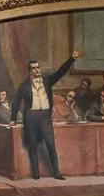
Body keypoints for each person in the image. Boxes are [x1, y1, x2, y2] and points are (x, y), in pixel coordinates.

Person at [13, 51, 80, 179]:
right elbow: (16, 100)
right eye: (34, 68)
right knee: (32, 145)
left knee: (50, 144)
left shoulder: (47, 80)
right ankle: (36, 174)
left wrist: (72, 59)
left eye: (38, 67)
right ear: (29, 71)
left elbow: (61, 72)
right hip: (31, 117)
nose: (37, 70)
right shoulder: (24, 85)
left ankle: (56, 173)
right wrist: (13, 119)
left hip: (45, 117)